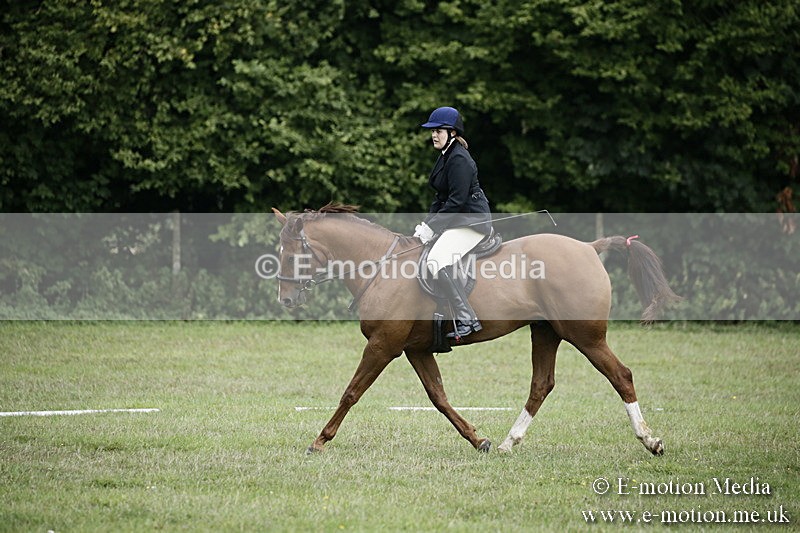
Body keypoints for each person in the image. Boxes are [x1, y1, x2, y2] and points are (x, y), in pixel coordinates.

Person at [414, 106, 492, 341]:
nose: (434, 135)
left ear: (453, 132)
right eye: (432, 131)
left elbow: (456, 202)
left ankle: (467, 317)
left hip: (472, 223)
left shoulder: (459, 159)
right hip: (456, 221)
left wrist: (434, 227)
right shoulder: (445, 155)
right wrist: (427, 224)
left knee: (436, 261)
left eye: (439, 131)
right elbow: (441, 198)